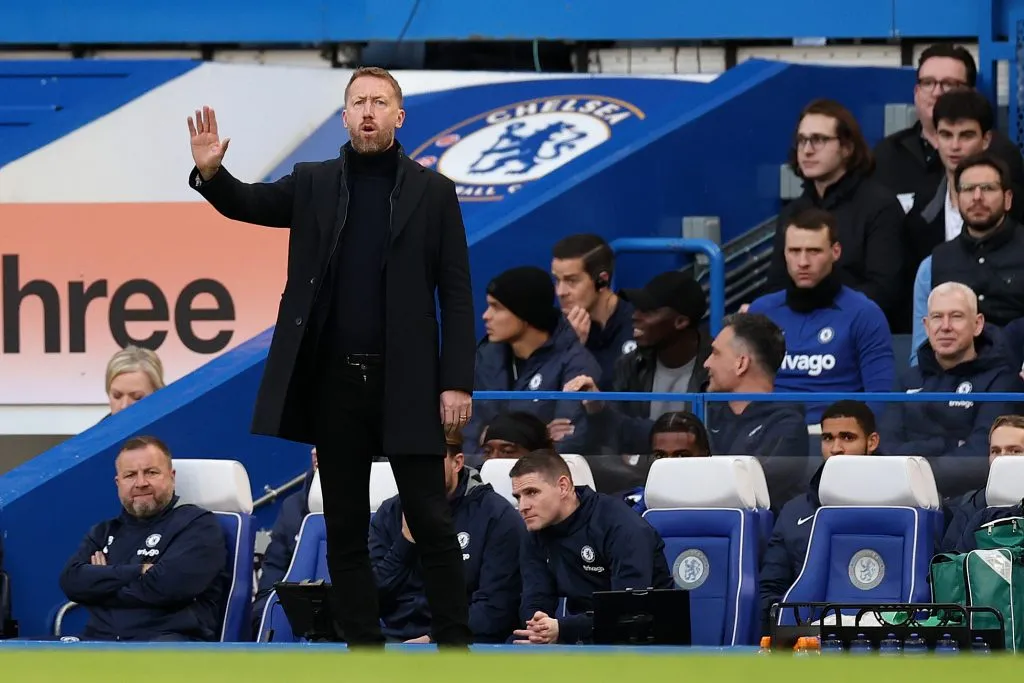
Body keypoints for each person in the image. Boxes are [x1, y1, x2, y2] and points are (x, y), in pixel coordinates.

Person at [186, 66, 476, 646]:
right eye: (358, 102)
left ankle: (454, 647)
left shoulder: (434, 191)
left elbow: (457, 292)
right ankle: (363, 649)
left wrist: (456, 382)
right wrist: (213, 175)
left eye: (380, 101)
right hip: (335, 386)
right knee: (344, 526)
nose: (368, 111)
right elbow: (249, 202)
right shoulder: (312, 181)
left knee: (432, 521)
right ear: (345, 116)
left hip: (410, 385)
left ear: (399, 115)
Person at [58, 436, 227, 642]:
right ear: (118, 483)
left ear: (171, 477)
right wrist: (139, 571)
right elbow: (72, 582)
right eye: (130, 475)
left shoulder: (197, 525)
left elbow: (168, 587)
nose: (141, 483)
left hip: (166, 645)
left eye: (151, 472)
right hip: (98, 643)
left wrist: (101, 582)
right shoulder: (103, 532)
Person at [370, 433, 524, 643]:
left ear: (457, 462)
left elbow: (496, 606)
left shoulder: (497, 516)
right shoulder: (389, 513)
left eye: (428, 462)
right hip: (391, 641)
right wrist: (405, 542)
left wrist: (432, 639)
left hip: (459, 643)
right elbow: (369, 597)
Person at [510, 451, 672, 645]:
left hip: (645, 641)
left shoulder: (622, 527)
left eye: (532, 493)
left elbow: (629, 611)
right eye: (518, 497)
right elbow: (535, 597)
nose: (523, 506)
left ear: (563, 486)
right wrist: (537, 628)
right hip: (581, 639)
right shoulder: (537, 530)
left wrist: (563, 629)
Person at [748, 208, 894, 422]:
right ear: (784, 254)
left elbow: (881, 397)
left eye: (814, 251)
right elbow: (739, 387)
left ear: (836, 252)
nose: (803, 262)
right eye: (795, 251)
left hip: (837, 440)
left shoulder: (865, 314)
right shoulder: (761, 312)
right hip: (770, 433)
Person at [758, 400, 880, 631]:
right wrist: (787, 634)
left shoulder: (903, 506)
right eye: (827, 438)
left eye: (847, 437)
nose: (836, 448)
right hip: (807, 639)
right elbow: (771, 587)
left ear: (872, 442)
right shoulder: (795, 511)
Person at [702, 313, 810, 514]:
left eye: (715, 353)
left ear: (741, 363)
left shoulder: (788, 426)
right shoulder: (704, 413)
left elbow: (753, 489)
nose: (706, 363)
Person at [551, 234, 635, 388]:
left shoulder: (638, 325)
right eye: (557, 280)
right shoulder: (555, 329)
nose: (560, 292)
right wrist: (571, 348)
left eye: (571, 281)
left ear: (601, 280)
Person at [251, 448, 318, 637]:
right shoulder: (292, 508)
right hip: (293, 624)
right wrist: (263, 617)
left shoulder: (383, 509)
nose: (314, 451)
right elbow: (272, 575)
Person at [941, 415, 1024, 552]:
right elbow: (949, 564)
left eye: (1014, 451)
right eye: (995, 451)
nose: (1001, 459)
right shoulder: (971, 507)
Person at [620, 411, 711, 514]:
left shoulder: (724, 506)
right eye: (660, 456)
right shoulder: (627, 508)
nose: (668, 465)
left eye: (681, 456)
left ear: (705, 457)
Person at [105, 346, 165, 416]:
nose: (124, 406)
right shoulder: (100, 427)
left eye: (137, 397)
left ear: (156, 395)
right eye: (117, 396)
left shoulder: (174, 425)